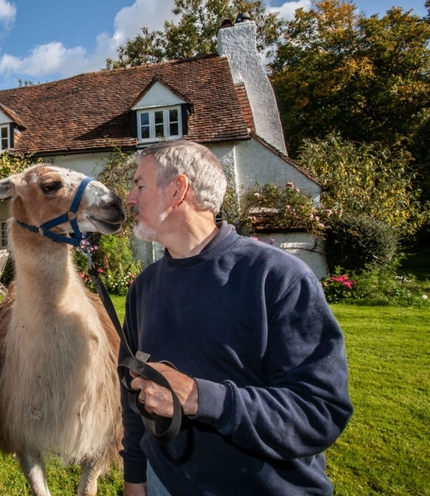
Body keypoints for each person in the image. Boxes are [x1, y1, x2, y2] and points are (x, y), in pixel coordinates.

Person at [120, 141, 353, 495]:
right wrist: (136, 477)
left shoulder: (277, 277)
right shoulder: (144, 288)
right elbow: (134, 395)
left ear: (177, 190)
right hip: (162, 482)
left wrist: (200, 397)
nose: (129, 199)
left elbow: (319, 411)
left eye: (139, 185)